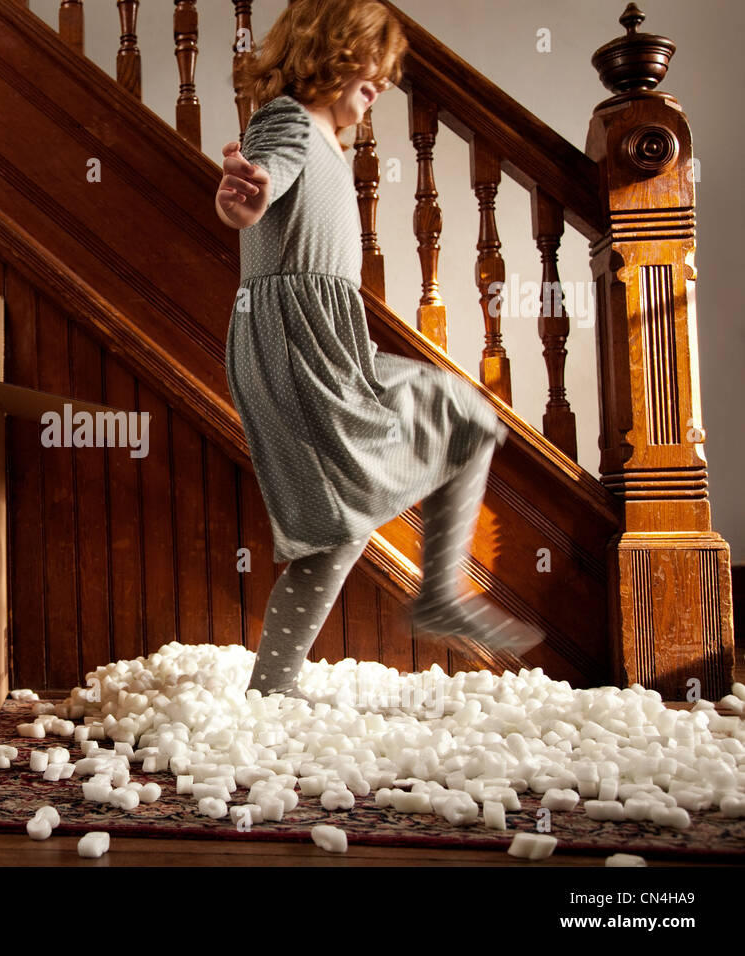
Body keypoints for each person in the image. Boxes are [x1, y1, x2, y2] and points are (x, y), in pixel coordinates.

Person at [215, 0, 544, 701]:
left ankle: (433, 598)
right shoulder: (289, 120)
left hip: (330, 343)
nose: (382, 88)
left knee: (460, 420)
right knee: (342, 522)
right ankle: (274, 690)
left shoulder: (333, 141)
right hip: (296, 344)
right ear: (330, 52)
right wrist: (247, 197)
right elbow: (262, 179)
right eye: (372, 73)